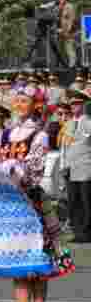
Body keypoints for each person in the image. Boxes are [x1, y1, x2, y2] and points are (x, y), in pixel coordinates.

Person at [0, 84, 74, 302]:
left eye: (24, 101)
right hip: (10, 202)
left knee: (38, 260)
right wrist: (1, 166)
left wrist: (15, 167)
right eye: (17, 100)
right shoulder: (3, 134)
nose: (19, 105)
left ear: (36, 105)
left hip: (31, 201)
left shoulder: (40, 134)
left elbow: (36, 168)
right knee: (18, 260)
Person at [66, 101, 91, 243]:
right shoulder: (69, 123)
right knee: (73, 201)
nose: (74, 107)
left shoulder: (89, 122)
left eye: (77, 104)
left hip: (86, 166)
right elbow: (65, 145)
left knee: (86, 200)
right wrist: (65, 164)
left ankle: (87, 233)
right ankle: (78, 232)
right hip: (71, 166)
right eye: (72, 104)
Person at [58, 0, 79, 67]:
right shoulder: (60, 7)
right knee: (62, 49)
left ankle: (72, 65)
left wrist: (68, 30)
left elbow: (72, 19)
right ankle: (64, 64)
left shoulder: (69, 6)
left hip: (68, 31)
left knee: (69, 48)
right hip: (61, 31)